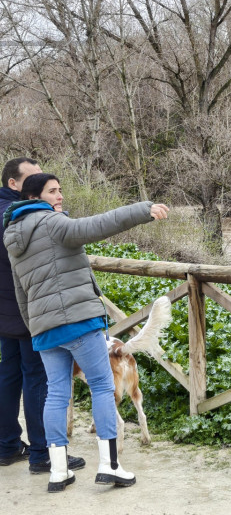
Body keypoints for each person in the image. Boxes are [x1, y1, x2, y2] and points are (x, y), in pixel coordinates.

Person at [3, 173, 169, 492]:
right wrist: (143, 209)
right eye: (54, 191)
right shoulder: (51, 222)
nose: (60, 196)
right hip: (79, 322)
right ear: (35, 197)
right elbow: (96, 226)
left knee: (56, 394)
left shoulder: (13, 236)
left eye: (60, 190)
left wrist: (34, 326)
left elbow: (21, 292)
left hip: (44, 330)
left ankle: (58, 471)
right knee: (102, 387)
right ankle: (110, 465)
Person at [0, 158, 85, 474]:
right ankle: (44, 452)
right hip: (26, 310)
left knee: (9, 378)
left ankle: (7, 445)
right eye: (34, 178)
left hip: (5, 312)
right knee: (38, 380)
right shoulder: (16, 216)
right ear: (14, 183)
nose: (41, 183)